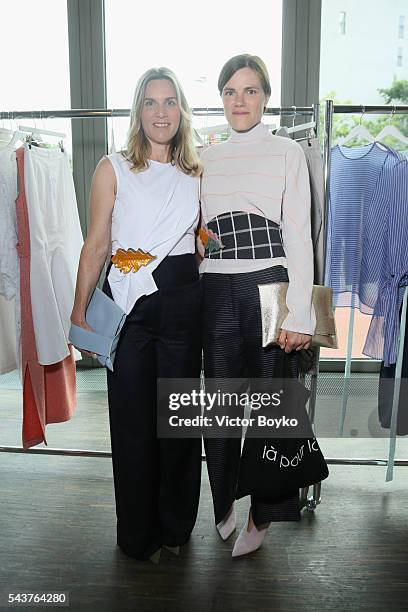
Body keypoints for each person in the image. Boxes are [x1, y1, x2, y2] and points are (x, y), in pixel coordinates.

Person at [70, 67, 203, 562]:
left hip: (185, 300)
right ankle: (138, 534)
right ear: (138, 111)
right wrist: (79, 312)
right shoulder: (113, 167)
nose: (161, 112)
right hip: (129, 301)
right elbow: (97, 244)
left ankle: (176, 527)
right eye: (151, 102)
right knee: (131, 422)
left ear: (181, 110)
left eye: (170, 102)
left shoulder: (197, 169)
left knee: (180, 419)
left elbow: (203, 237)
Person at [199, 54, 319, 557]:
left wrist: (302, 313)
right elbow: (197, 232)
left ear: (265, 96)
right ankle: (223, 502)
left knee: (273, 408)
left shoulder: (289, 152)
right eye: (230, 91)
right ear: (221, 98)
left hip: (272, 283)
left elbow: (299, 238)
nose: (239, 100)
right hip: (216, 288)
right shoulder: (205, 156)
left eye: (250, 91)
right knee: (221, 407)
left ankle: (261, 514)